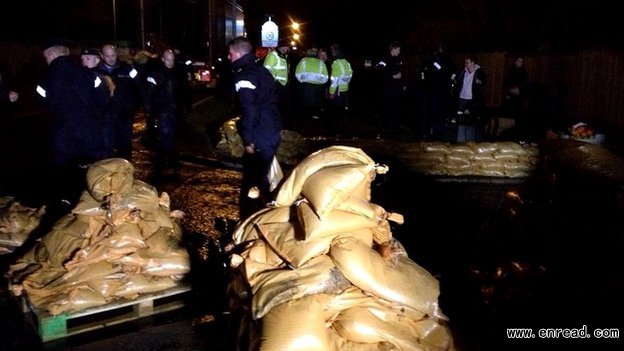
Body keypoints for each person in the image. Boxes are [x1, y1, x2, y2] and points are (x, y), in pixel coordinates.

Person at [36, 39, 110, 211]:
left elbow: (40, 105)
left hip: (63, 135)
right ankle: (97, 207)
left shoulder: (44, 79)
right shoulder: (89, 75)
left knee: (65, 174)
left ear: (51, 54)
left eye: (45, 57)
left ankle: (66, 208)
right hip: (90, 133)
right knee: (94, 173)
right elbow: (103, 101)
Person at [228, 36, 282, 219]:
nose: (229, 57)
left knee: (251, 185)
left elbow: (249, 109)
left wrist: (248, 140)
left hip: (260, 134)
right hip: (270, 130)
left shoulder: (245, 75)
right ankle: (268, 215)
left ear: (237, 53)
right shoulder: (261, 71)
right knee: (261, 180)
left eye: (230, 54)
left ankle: (249, 224)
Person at [143, 49, 186, 179]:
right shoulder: (155, 74)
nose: (170, 62)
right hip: (162, 112)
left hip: (174, 112)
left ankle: (169, 165)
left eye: (172, 60)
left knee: (168, 139)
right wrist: (151, 112)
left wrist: (184, 108)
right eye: (168, 59)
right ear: (163, 59)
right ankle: (162, 166)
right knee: (165, 140)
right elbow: (149, 94)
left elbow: (183, 92)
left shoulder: (178, 73)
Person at [96, 44, 141, 161]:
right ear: (102, 56)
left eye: (113, 55)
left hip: (124, 114)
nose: (111, 59)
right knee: (107, 146)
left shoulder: (127, 69)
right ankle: (108, 176)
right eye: (107, 56)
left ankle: (126, 172)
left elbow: (139, 86)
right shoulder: (97, 72)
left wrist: (135, 106)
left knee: (125, 145)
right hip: (106, 116)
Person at [423, 42, 456, 140]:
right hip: (444, 91)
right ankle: (440, 134)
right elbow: (452, 74)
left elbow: (432, 70)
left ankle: (434, 134)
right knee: (441, 115)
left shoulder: (436, 59)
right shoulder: (450, 60)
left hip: (436, 90)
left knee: (435, 114)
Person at [452, 56, 487, 142]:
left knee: (470, 120)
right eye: (465, 63)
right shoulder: (463, 71)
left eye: (468, 63)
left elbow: (484, 80)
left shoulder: (478, 71)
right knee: (460, 119)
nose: (466, 64)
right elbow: (458, 81)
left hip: (471, 99)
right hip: (462, 98)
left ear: (472, 63)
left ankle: (470, 142)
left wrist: (480, 82)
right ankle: (460, 141)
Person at [294, 47, 329, 135]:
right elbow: (326, 78)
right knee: (316, 108)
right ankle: (314, 127)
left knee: (305, 107)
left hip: (306, 88)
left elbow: (297, 75)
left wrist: (303, 80)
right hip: (318, 89)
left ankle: (304, 127)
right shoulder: (321, 63)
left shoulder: (303, 61)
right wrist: (319, 82)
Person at [377, 41, 406, 132]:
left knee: (396, 108)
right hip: (387, 89)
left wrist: (403, 84)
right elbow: (380, 74)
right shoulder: (384, 60)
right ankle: (385, 127)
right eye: (398, 50)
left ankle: (394, 126)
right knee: (386, 108)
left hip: (396, 89)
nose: (399, 52)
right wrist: (393, 77)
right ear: (393, 49)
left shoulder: (398, 60)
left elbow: (401, 73)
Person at [263, 39, 292, 128]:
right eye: (288, 47)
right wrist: (273, 82)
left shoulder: (285, 56)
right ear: (284, 46)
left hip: (284, 85)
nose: (289, 49)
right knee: (276, 107)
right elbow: (267, 71)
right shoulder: (273, 55)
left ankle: (282, 124)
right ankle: (275, 125)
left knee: (283, 107)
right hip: (276, 86)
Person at [327, 43, 353, 137]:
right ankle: (343, 130)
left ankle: (336, 131)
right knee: (342, 111)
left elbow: (334, 79)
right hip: (345, 89)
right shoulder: (346, 62)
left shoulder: (336, 62)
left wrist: (331, 92)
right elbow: (350, 75)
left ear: (334, 52)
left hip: (337, 91)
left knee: (335, 111)